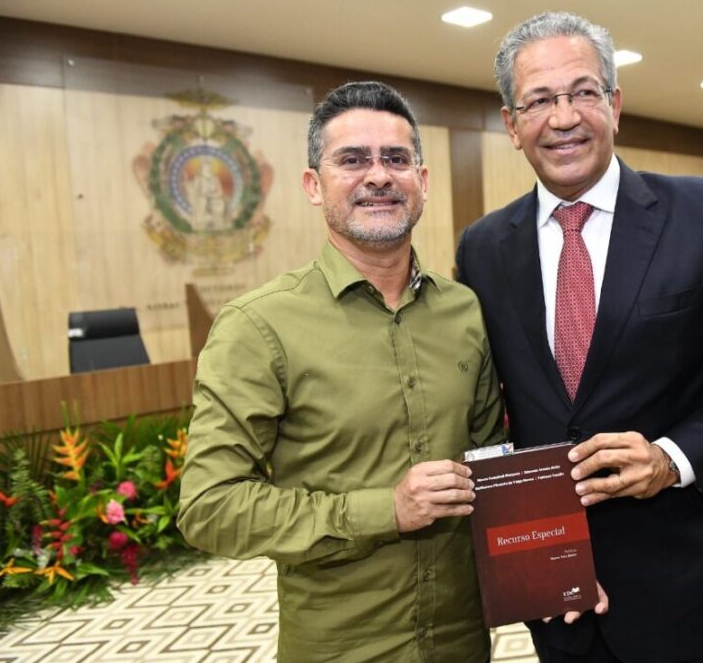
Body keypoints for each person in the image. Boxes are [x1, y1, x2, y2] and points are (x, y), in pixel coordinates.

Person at [455, 12, 703, 663]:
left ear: (615, 106)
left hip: (686, 591)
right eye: (538, 100)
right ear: (512, 125)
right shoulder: (482, 249)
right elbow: (498, 414)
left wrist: (673, 457)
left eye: (583, 92)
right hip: (557, 597)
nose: (563, 117)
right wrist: (531, 561)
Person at [178, 81, 505, 662]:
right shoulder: (258, 326)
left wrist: (550, 566)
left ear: (422, 182)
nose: (378, 176)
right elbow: (210, 507)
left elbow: (491, 464)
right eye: (352, 160)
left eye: (396, 160)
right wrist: (387, 509)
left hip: (463, 639)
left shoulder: (465, 311)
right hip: (342, 646)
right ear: (313, 184)